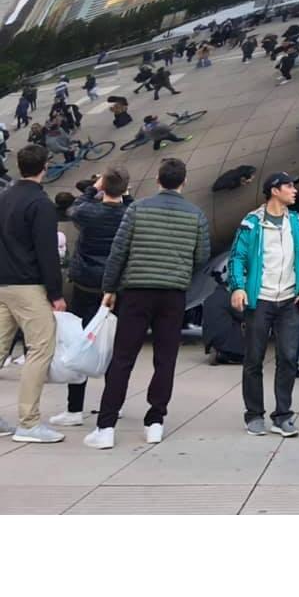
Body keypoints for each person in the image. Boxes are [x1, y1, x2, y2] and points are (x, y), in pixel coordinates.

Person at [84, 158, 211, 449]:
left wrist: (109, 287)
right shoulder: (196, 215)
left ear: (157, 179)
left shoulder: (137, 209)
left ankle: (106, 427)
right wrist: (179, 271)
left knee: (123, 358)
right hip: (173, 294)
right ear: (184, 181)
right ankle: (155, 422)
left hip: (136, 291)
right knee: (165, 360)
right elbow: (202, 256)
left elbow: (119, 251)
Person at [227, 171, 299, 437]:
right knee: (254, 358)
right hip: (260, 299)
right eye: (289, 186)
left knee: (288, 358)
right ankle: (254, 415)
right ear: (275, 191)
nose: (294, 190)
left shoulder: (297, 222)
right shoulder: (252, 222)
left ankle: (283, 416)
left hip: (289, 300)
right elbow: (237, 257)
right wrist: (238, 287)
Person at [50, 167, 131, 427]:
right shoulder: (130, 213)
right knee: (116, 347)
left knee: (79, 342)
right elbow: (131, 204)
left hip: (86, 284)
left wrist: (92, 188)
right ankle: (113, 405)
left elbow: (74, 208)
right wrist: (125, 193)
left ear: (103, 186)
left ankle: (74, 409)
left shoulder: (88, 212)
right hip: (115, 286)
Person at [0, 144, 67, 443]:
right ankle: (29, 422)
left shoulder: (3, 197)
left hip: (2, 283)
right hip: (27, 285)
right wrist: (56, 293)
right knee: (40, 349)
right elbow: (47, 253)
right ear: (45, 167)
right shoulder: (40, 203)